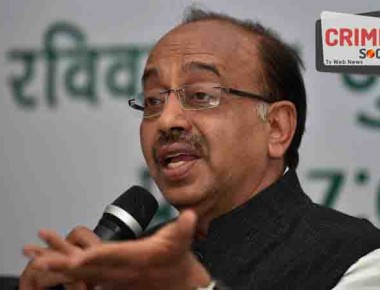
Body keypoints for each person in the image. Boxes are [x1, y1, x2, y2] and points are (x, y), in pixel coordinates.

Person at [20, 8, 380, 290]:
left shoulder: (359, 257)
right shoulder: (128, 265)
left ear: (276, 127)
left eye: (201, 95)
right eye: (152, 101)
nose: (166, 120)